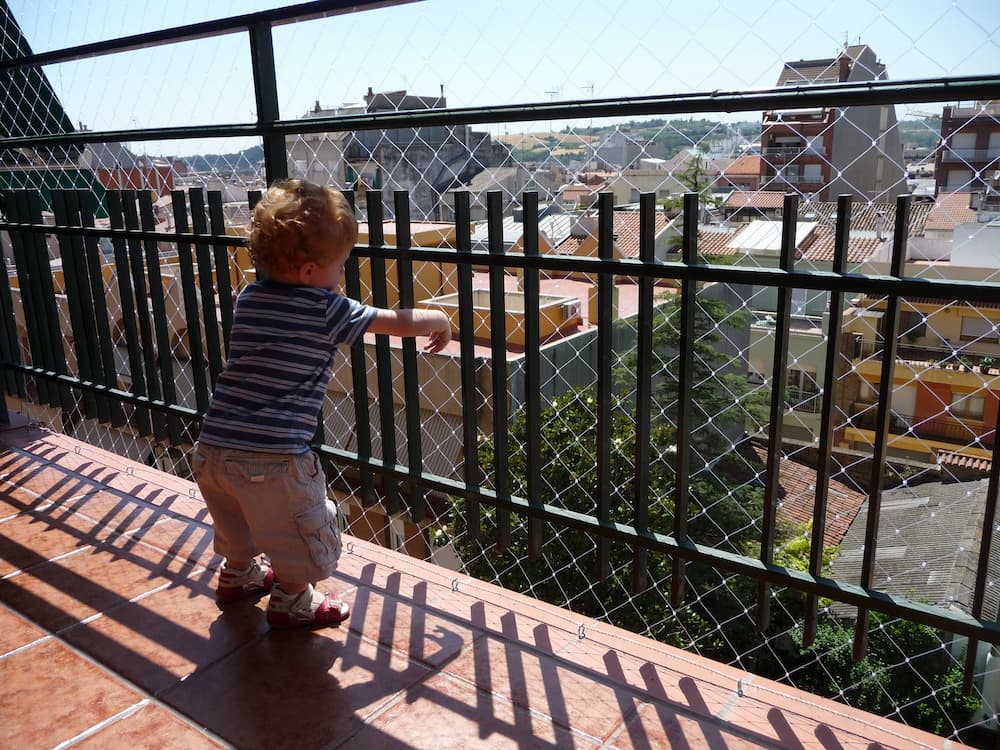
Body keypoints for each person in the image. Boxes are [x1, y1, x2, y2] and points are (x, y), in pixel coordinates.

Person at [192, 178, 451, 629]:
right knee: (298, 531)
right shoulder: (326, 307)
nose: (342, 275)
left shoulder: (248, 297)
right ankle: (294, 599)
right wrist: (439, 318)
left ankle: (239, 574)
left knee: (237, 523)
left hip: (212, 448)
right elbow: (396, 322)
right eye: (340, 265)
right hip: (275, 457)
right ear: (311, 271)